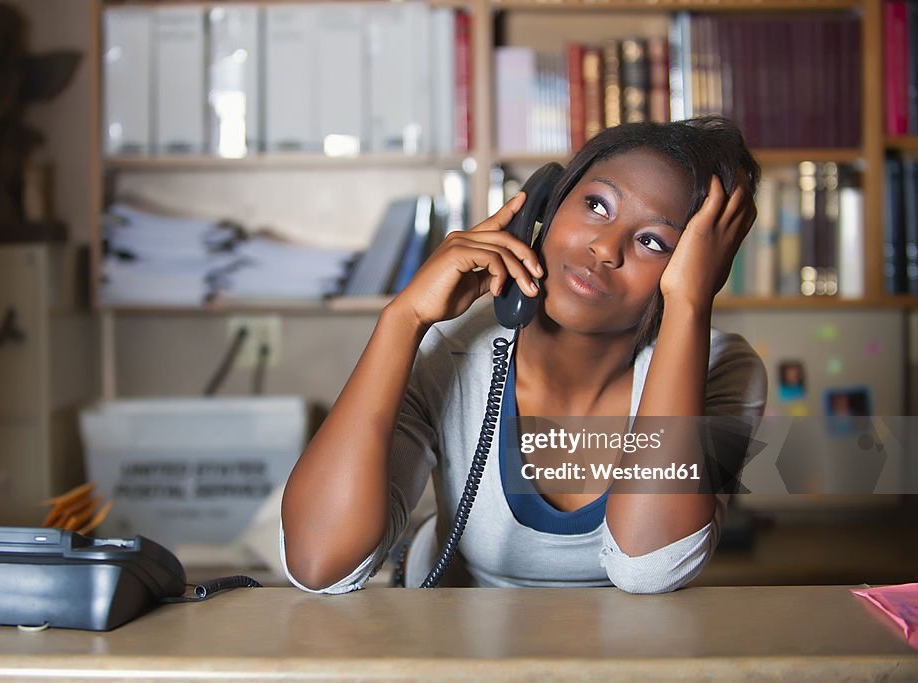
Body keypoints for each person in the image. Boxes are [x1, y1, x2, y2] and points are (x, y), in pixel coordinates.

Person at [281, 116, 767, 594]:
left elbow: (650, 568)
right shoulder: (452, 351)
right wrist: (402, 318)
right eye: (597, 205)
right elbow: (320, 563)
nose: (604, 248)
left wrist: (690, 303)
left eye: (653, 241)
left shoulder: (723, 369)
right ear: (545, 207)